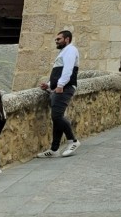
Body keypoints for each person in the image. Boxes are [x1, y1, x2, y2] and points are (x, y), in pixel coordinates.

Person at [37, 30, 80, 158]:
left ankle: (73, 141)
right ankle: (54, 149)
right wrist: (50, 85)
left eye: (59, 39)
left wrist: (61, 85)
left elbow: (68, 69)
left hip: (65, 88)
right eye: (56, 39)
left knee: (57, 116)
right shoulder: (63, 51)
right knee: (57, 118)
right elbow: (58, 71)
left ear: (67, 39)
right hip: (58, 88)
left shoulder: (70, 50)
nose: (56, 41)